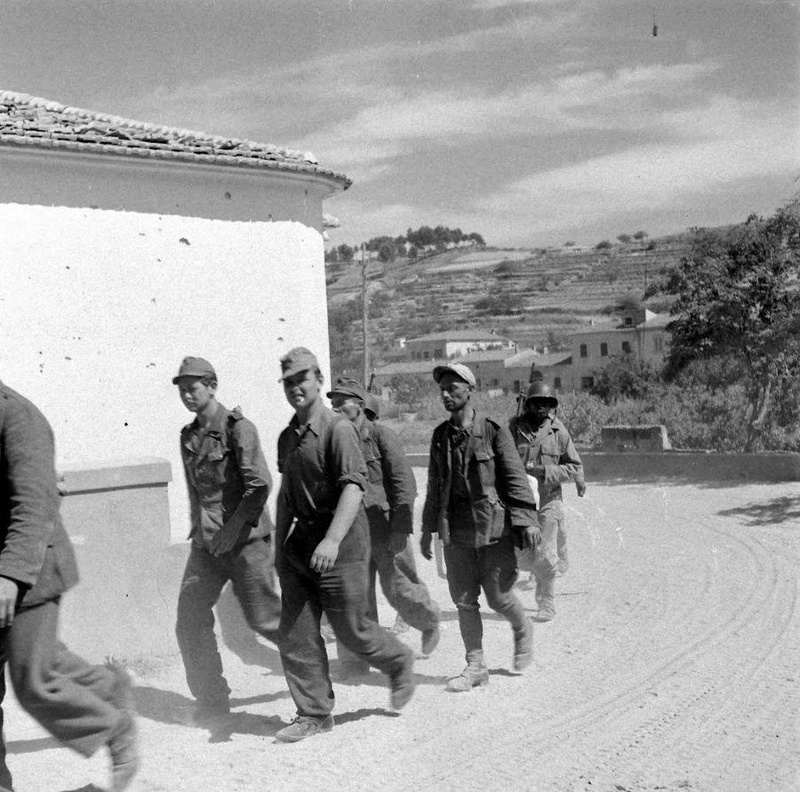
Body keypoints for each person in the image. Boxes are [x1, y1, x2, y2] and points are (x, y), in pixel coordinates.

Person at [0, 381, 138, 792]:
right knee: (42, 658)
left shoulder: (18, 416)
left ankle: (116, 728)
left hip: (30, 571)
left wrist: (8, 575)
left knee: (34, 678)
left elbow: (35, 504)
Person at [274, 348, 415, 742]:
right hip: (303, 540)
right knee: (296, 630)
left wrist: (332, 540)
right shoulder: (288, 436)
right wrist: (278, 548)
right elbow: (285, 494)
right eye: (288, 382)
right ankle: (314, 713)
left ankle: (399, 660)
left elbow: (354, 486)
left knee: (352, 630)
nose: (295, 387)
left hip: (344, 537)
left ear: (318, 380)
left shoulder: (339, 429)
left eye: (302, 378)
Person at [420, 363, 540, 693]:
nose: (445, 394)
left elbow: (515, 478)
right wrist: (427, 529)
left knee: (499, 597)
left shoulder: (492, 430)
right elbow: (433, 485)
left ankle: (521, 627)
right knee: (464, 601)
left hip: (494, 529)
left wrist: (526, 519)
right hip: (456, 532)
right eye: (441, 389)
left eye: (452, 388)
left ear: (469, 390)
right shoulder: (440, 437)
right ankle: (476, 666)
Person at [173, 357, 281, 723]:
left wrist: (229, 532)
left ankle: (314, 686)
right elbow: (195, 493)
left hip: (246, 541)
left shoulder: (239, 429)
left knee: (266, 621)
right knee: (189, 618)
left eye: (194, 387)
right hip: (207, 546)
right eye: (182, 389)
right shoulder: (188, 436)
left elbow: (259, 485)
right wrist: (200, 535)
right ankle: (213, 700)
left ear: (212, 386)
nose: (187, 395)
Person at [327, 377, 440, 674]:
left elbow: (404, 483)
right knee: (354, 596)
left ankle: (428, 621)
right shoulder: (334, 441)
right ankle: (356, 659)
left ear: (361, 405)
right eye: (333, 403)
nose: (336, 407)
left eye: (343, 402)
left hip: (386, 528)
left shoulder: (381, 435)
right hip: (352, 535)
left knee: (400, 590)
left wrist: (401, 527)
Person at [509, 380, 583, 622]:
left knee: (543, 552)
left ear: (552, 406)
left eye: (546, 404)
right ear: (527, 404)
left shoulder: (558, 432)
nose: (541, 408)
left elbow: (573, 467)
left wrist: (544, 470)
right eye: (536, 403)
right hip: (520, 500)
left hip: (549, 499)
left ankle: (546, 603)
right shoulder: (513, 430)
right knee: (523, 554)